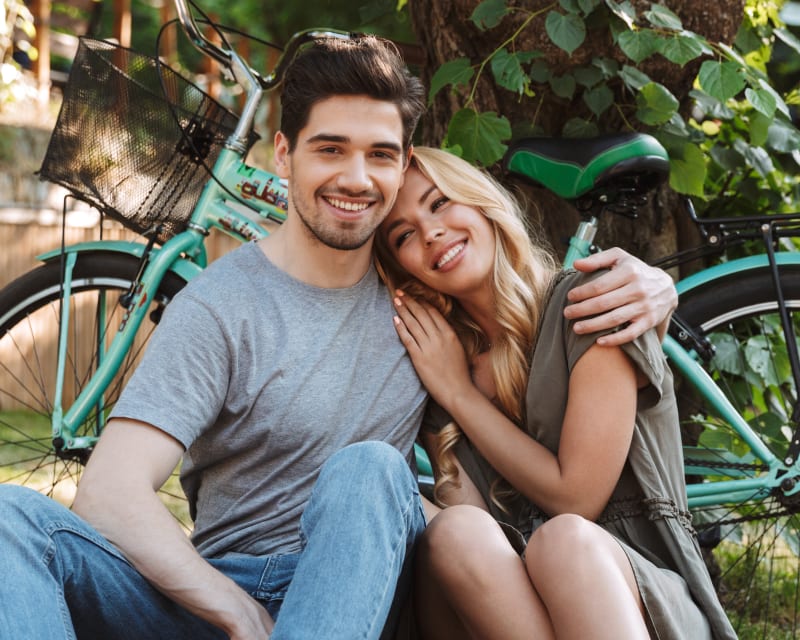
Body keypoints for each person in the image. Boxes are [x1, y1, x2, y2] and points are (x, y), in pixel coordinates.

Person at [0, 37, 676, 640]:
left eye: (379, 155)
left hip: (354, 590)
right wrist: (235, 611)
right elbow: (110, 493)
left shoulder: (427, 310)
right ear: (285, 155)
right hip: (213, 603)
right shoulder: (220, 305)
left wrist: (652, 288)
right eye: (330, 150)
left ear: (402, 163)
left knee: (372, 467)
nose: (356, 178)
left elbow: (526, 321)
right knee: (7, 515)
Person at [374, 146, 736, 640]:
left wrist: (462, 395)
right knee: (453, 533)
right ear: (404, 271)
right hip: (526, 616)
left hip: (647, 599)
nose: (430, 232)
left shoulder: (589, 302)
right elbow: (475, 555)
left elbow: (577, 498)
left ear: (480, 201)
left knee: (563, 540)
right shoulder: (440, 369)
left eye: (439, 203)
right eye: (404, 235)